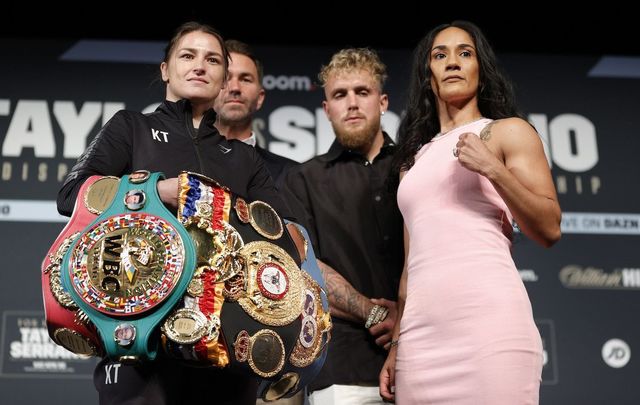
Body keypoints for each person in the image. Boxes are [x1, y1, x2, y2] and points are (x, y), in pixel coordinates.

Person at [57, 22, 292, 405]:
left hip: (225, 352)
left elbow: (282, 238)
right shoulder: (132, 128)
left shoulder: (246, 159)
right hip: (139, 346)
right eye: (188, 55)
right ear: (166, 69)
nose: (200, 66)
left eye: (212, 59)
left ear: (222, 77)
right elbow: (71, 194)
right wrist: (151, 190)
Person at [379, 20, 562, 404]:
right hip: (420, 341)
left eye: (465, 53)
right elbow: (411, 266)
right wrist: (397, 345)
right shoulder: (411, 162)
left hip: (489, 328)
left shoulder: (507, 132)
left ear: (481, 71)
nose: (453, 63)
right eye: (440, 55)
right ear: (428, 76)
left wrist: (492, 168)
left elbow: (548, 227)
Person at [283, 48, 404, 404]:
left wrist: (407, 315)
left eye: (362, 92)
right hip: (345, 369)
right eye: (340, 95)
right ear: (326, 109)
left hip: (428, 354)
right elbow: (305, 269)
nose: (351, 103)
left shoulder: (415, 167)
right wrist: (377, 314)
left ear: (382, 102)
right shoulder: (301, 180)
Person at [214, 39, 297, 189]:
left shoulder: (292, 176)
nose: (235, 88)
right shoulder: (180, 160)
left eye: (245, 79)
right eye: (225, 78)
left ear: (260, 98)